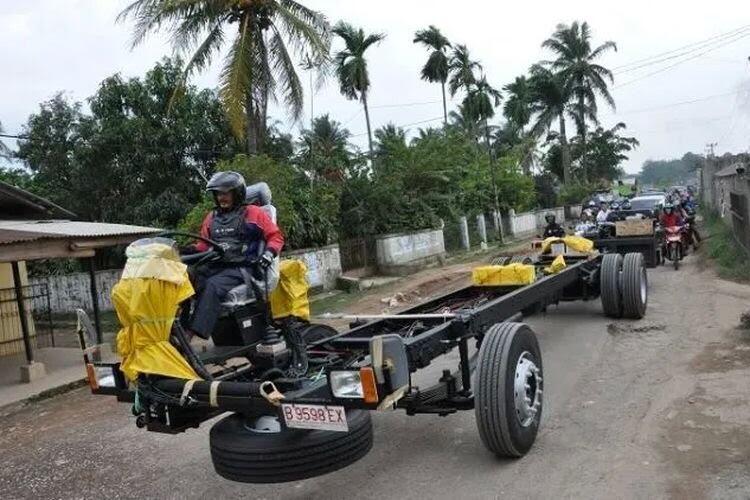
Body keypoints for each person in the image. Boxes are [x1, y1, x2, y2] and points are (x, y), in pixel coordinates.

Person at [184, 171, 284, 340]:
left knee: (212, 286)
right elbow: (203, 245)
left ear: (237, 193)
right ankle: (179, 324)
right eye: (218, 194)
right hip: (216, 265)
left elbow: (275, 236)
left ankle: (189, 336)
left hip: (242, 268)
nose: (221, 198)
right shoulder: (211, 217)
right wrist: (184, 251)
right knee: (184, 278)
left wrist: (268, 254)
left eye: (226, 193)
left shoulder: (253, 213)